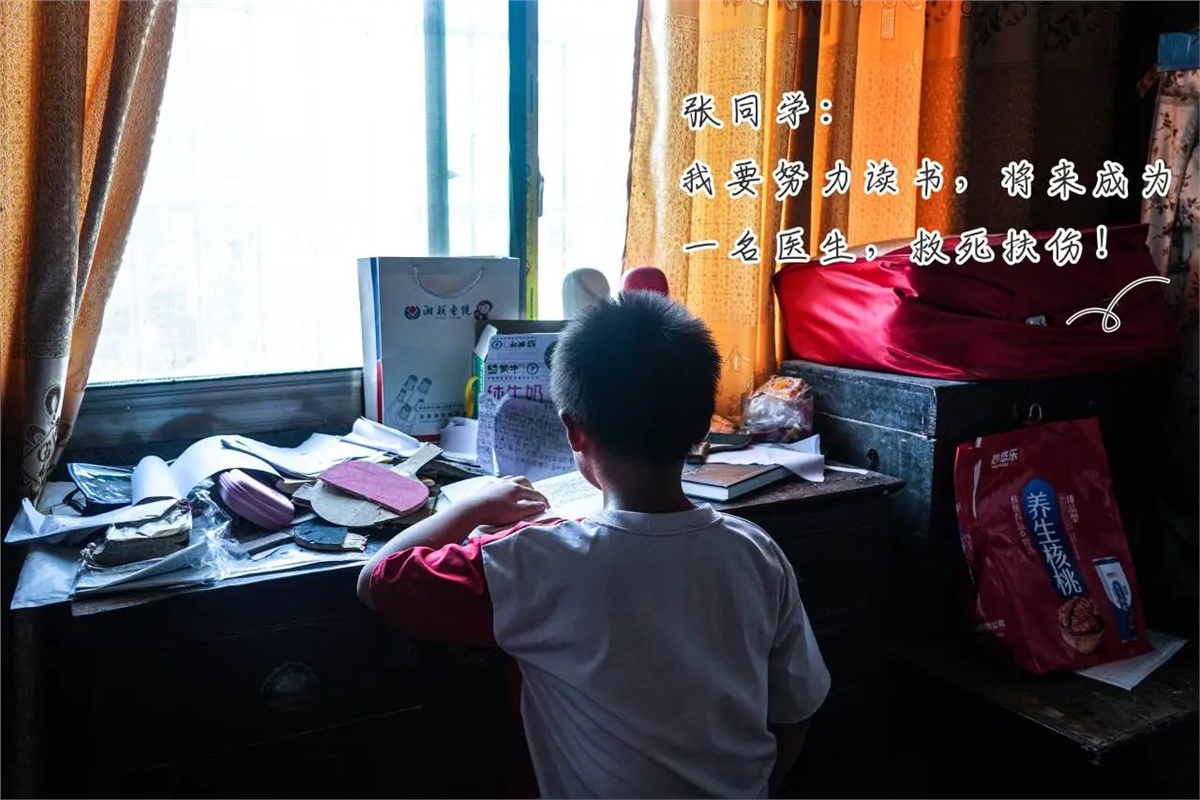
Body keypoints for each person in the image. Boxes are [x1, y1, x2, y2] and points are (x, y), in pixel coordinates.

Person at [358, 291, 830, 798]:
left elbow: (377, 580)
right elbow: (796, 710)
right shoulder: (757, 552)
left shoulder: (532, 559)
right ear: (702, 429)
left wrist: (472, 507)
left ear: (574, 431)